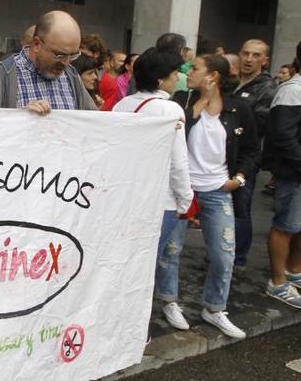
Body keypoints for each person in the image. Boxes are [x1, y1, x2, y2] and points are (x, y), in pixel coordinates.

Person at [171, 54, 259, 339]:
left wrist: (239, 179)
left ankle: (214, 307)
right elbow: (174, 136)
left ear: (214, 76)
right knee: (171, 250)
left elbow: (252, 151)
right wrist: (199, 102)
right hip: (183, 189)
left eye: (195, 68)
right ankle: (168, 301)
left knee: (224, 255)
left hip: (218, 190)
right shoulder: (182, 100)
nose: (188, 72)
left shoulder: (239, 108)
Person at [114, 48, 194, 331]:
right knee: (146, 267)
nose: (179, 80)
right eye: (175, 75)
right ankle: (133, 328)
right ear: (161, 80)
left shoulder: (122, 106)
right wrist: (186, 199)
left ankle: (116, 323)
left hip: (127, 198)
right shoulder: (171, 109)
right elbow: (178, 162)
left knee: (124, 264)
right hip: (161, 202)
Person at [0, 11, 97, 113]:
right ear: (36, 44)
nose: (66, 62)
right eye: (60, 55)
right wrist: (18, 118)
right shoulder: (2, 75)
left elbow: (91, 123)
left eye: (73, 55)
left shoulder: (72, 77)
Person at [232, 39, 277, 269]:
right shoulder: (234, 82)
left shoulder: (267, 88)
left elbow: (260, 123)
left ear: (265, 61)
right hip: (225, 153)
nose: (249, 59)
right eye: (246, 53)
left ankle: (237, 258)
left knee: (241, 205)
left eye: (256, 55)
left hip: (246, 156)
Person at [262, 45, 301, 308]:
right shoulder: (292, 90)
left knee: (297, 226)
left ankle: (294, 271)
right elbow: (285, 136)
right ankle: (277, 282)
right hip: (293, 172)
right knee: (286, 225)